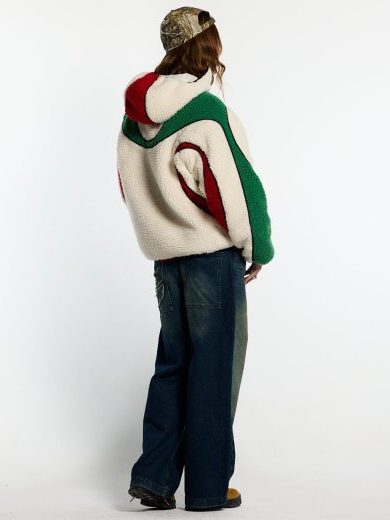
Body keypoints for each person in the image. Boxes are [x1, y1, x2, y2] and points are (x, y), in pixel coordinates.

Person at [116, 6, 275, 512]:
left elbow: (128, 186)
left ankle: (155, 478)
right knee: (214, 368)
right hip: (210, 259)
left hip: (166, 261)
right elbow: (237, 188)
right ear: (209, 47)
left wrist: (163, 231)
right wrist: (258, 246)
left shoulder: (135, 117)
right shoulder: (206, 111)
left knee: (173, 363)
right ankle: (207, 488)